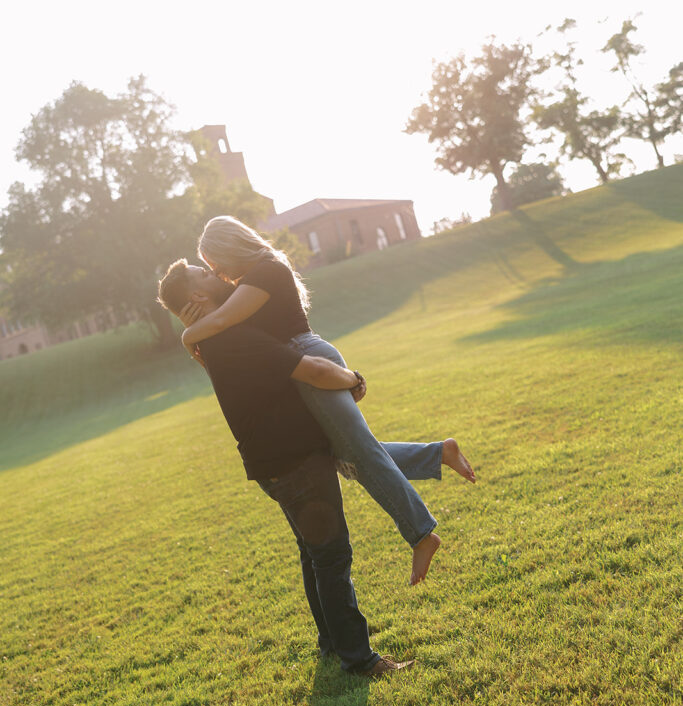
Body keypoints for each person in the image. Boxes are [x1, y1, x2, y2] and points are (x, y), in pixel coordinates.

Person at [178, 215, 476, 586]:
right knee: (343, 456)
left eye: (216, 264)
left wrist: (189, 336)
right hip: (301, 364)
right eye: (211, 269)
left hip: (309, 358)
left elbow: (221, 321)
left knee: (360, 454)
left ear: (230, 248)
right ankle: (438, 454)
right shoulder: (253, 276)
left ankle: (420, 534)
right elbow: (228, 328)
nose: (218, 273)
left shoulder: (265, 271)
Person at [157, 259, 414, 677]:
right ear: (199, 297)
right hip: (295, 460)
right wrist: (353, 379)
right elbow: (311, 369)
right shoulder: (232, 335)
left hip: (271, 463)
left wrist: (190, 338)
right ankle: (360, 659)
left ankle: (331, 644)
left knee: (314, 555)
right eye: (204, 275)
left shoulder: (212, 342)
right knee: (332, 557)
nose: (215, 273)